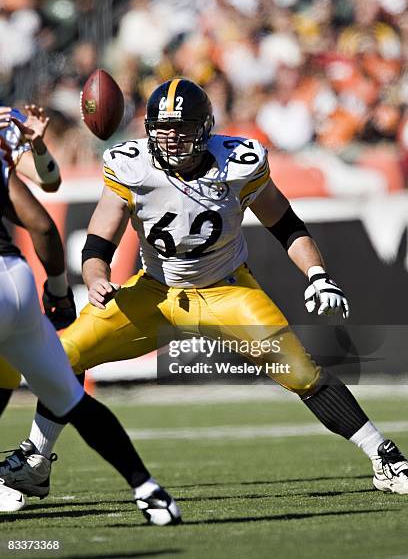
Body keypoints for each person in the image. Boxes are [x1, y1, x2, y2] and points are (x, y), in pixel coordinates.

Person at [1, 79, 407, 509]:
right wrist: (97, 275)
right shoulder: (131, 164)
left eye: (183, 127)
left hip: (226, 289)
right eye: (163, 127)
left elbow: (286, 225)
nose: (171, 136)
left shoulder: (238, 162)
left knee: (302, 372)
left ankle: (385, 457)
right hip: (154, 291)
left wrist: (318, 275)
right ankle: (36, 460)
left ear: (205, 128)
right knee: (62, 356)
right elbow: (100, 240)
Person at [0, 136, 181, 524]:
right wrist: (59, 289)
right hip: (15, 280)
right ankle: (149, 491)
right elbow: (44, 227)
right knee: (69, 397)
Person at [0, 104, 75, 418]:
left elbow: (50, 181)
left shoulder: (6, 122)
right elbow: (42, 225)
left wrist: (39, 145)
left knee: (4, 373)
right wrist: (58, 289)